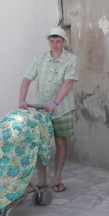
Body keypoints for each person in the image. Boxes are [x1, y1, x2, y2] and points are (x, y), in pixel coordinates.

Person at [18, 27, 79, 193]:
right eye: (52, 41)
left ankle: (57, 178)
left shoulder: (71, 60)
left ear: (64, 42)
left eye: (58, 41)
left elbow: (68, 82)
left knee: (60, 142)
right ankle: (41, 180)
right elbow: (27, 79)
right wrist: (22, 100)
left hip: (62, 109)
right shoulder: (40, 59)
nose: (55, 44)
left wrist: (55, 103)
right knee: (40, 144)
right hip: (41, 110)